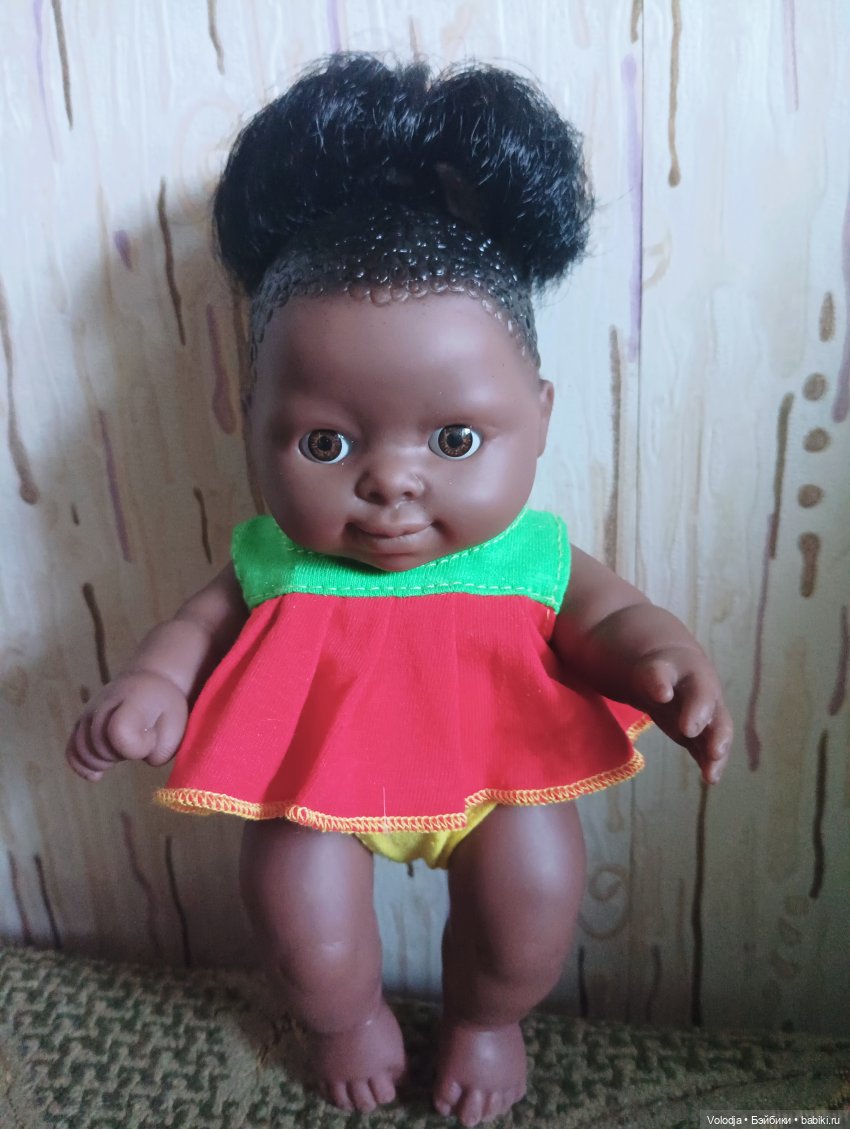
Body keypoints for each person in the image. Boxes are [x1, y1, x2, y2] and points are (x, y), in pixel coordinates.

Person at [66, 54, 733, 1128]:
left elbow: (609, 617)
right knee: (300, 920)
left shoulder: (528, 554)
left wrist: (664, 660)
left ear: (540, 415)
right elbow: (199, 624)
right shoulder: (276, 558)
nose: (391, 481)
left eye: (454, 438)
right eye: (327, 442)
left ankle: (488, 1020)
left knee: (531, 902)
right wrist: (153, 685)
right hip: (311, 788)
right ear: (251, 419)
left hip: (499, 780)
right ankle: (342, 1022)